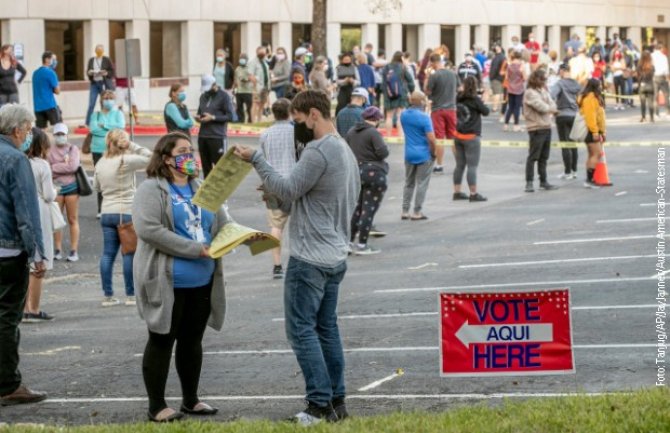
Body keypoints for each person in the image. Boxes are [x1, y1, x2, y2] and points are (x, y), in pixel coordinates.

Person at [234, 90, 359, 425]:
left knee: (302, 330)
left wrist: (257, 160)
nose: (296, 127)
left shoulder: (319, 150)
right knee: (326, 328)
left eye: (298, 120)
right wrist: (276, 194)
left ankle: (318, 405)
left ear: (313, 114)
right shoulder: (343, 149)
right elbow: (298, 198)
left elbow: (289, 189)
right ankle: (336, 401)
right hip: (334, 253)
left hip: (310, 258)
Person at [133, 132, 233, 422]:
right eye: (183, 151)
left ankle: (191, 400)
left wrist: (244, 236)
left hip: (202, 280)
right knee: (162, 340)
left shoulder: (201, 187)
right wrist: (194, 250)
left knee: (192, 341)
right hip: (167, 281)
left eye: (191, 150)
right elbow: (148, 229)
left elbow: (223, 222)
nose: (190, 156)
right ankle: (157, 406)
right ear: (166, 158)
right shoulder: (152, 189)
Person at [0, 104, 48, 406]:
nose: (29, 135)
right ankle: (8, 384)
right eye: (28, 130)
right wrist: (37, 252)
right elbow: (26, 210)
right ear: (17, 130)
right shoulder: (16, 159)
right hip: (8, 249)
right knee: (7, 318)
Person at [94, 129, 151, 307]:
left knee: (108, 254)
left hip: (106, 211)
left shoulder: (101, 162)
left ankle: (108, 295)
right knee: (129, 252)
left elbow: (97, 187)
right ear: (123, 143)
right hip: (125, 211)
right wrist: (132, 146)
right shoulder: (126, 161)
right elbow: (150, 157)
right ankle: (131, 294)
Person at [259, 99, 295, 279]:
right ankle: (299, 261)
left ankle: (277, 265)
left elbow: (263, 160)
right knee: (298, 224)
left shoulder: (265, 134)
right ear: (289, 112)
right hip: (294, 182)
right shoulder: (295, 132)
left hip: (272, 184)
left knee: (275, 226)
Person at [22, 128, 55, 323]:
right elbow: (49, 194)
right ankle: (33, 308)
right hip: (40, 209)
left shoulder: (19, 162)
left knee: (26, 262)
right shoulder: (42, 165)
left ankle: (24, 306)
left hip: (21, 208)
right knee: (39, 261)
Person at [345, 106, 388, 255]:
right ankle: (362, 245)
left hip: (356, 173)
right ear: (375, 120)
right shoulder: (373, 133)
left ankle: (349, 242)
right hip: (374, 173)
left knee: (357, 208)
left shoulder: (351, 132)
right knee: (368, 209)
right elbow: (383, 152)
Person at [400, 91, 436, 220]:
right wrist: (433, 152)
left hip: (409, 152)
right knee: (422, 183)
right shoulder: (425, 118)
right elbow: (431, 138)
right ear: (421, 102)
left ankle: (405, 210)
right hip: (423, 153)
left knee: (409, 183)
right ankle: (417, 211)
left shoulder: (404, 115)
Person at [48, 123, 81, 262]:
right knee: (57, 219)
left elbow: (73, 166)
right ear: (54, 135)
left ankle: (74, 250)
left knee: (72, 219)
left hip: (71, 187)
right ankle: (57, 249)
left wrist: (55, 167)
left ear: (67, 135)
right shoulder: (49, 150)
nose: (60, 137)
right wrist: (64, 166)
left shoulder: (73, 149)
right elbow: (47, 168)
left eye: (62, 134)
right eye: (58, 134)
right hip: (56, 188)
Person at [453, 76, 490, 202]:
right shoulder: (475, 100)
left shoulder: (458, 97)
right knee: (472, 166)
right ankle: (473, 193)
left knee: (459, 165)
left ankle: (457, 191)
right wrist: (483, 98)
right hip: (471, 136)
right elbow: (486, 111)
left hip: (458, 134)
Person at [89, 89, 125, 217]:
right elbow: (93, 130)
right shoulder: (95, 115)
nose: (108, 101)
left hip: (113, 149)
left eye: (111, 98)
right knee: (101, 178)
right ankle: (101, 209)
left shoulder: (118, 113)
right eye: (106, 98)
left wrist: (103, 126)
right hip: (97, 150)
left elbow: (120, 127)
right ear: (101, 101)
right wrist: (110, 129)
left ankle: (114, 207)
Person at [523, 69, 559, 193]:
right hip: (536, 127)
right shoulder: (530, 93)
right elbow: (541, 107)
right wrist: (551, 109)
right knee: (533, 156)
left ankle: (544, 181)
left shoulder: (544, 91)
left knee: (544, 157)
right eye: (543, 79)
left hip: (546, 126)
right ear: (536, 79)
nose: (545, 82)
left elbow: (552, 104)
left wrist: (550, 108)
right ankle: (529, 182)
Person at [425, 53, 458, 174]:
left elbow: (427, 91)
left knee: (439, 138)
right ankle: (459, 164)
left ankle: (439, 165)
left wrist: (427, 76)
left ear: (433, 63)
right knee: (453, 137)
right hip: (451, 109)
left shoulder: (434, 75)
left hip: (438, 109)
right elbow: (459, 88)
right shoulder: (453, 74)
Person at [197, 74, 233, 179]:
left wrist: (213, 118)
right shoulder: (203, 96)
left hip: (217, 136)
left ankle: (221, 191)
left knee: (220, 167)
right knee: (206, 168)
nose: (207, 91)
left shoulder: (224, 96)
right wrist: (199, 118)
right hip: (203, 136)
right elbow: (201, 112)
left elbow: (230, 116)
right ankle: (207, 192)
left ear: (214, 85)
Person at [550, 63, 582, 180]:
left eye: (560, 71)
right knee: (573, 144)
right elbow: (581, 97)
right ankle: (574, 171)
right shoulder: (576, 84)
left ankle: (567, 172)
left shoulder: (559, 83)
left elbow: (551, 95)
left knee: (565, 144)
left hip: (562, 115)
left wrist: (553, 107)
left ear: (562, 71)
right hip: (575, 115)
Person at [579, 78, 607, 188]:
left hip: (593, 129)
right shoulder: (589, 99)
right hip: (590, 130)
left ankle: (589, 179)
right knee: (597, 154)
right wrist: (595, 131)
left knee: (592, 154)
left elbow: (599, 117)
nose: (601, 88)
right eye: (599, 86)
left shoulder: (593, 98)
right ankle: (589, 180)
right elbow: (591, 117)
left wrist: (602, 131)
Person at [382, 51, 415, 137]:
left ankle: (388, 136)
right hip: (401, 94)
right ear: (401, 58)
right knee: (400, 116)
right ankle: (400, 136)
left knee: (389, 116)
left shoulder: (386, 67)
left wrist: (385, 93)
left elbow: (383, 82)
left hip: (389, 95)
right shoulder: (403, 67)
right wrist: (411, 91)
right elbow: (410, 81)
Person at [85, 44, 115, 126]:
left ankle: (104, 121)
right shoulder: (91, 60)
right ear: (95, 51)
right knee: (91, 103)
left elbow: (112, 71)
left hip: (103, 83)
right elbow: (88, 71)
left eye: (100, 50)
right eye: (98, 50)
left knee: (104, 103)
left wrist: (106, 73)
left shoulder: (106, 59)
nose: (99, 52)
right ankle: (88, 122)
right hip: (94, 84)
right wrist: (90, 72)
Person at [32, 51, 61, 130]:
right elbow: (57, 91)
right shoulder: (51, 73)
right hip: (50, 105)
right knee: (59, 128)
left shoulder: (35, 73)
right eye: (53, 59)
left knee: (42, 131)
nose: (55, 62)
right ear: (47, 59)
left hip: (38, 106)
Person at [503, 50, 527, 132]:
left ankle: (505, 125)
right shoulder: (521, 66)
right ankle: (516, 125)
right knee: (517, 107)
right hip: (519, 89)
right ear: (519, 58)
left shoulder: (509, 66)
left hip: (510, 88)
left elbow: (506, 77)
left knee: (510, 107)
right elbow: (525, 77)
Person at [247, 46, 271, 123]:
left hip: (265, 87)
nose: (263, 54)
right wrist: (255, 86)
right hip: (257, 87)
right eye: (261, 52)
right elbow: (250, 75)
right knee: (255, 104)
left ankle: (259, 121)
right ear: (257, 52)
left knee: (262, 105)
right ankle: (254, 121)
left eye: (264, 52)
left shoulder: (264, 61)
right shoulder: (253, 62)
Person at [234, 54, 254, 123]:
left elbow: (252, 78)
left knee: (249, 108)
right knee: (239, 107)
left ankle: (250, 120)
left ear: (246, 60)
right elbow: (236, 79)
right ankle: (240, 120)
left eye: (243, 58)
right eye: (240, 58)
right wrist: (235, 87)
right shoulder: (237, 69)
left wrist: (246, 79)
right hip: (239, 91)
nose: (241, 60)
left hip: (248, 91)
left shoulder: (250, 68)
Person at [637, 51, 656, 123]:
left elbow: (638, 76)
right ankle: (652, 118)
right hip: (650, 85)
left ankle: (643, 117)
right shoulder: (651, 66)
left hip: (642, 85)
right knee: (650, 103)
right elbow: (653, 74)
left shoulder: (639, 65)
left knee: (643, 103)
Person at [652, 43, 670, 117]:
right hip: (662, 77)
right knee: (666, 94)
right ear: (660, 48)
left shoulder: (651, 55)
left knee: (655, 95)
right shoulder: (664, 57)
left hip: (654, 77)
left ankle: (656, 112)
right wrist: (668, 78)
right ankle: (668, 112)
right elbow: (666, 69)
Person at [489, 45, 506, 113]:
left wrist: (491, 77)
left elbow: (494, 68)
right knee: (499, 93)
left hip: (496, 77)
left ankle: (495, 107)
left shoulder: (497, 58)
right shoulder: (504, 57)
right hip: (502, 77)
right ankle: (497, 106)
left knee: (496, 93)